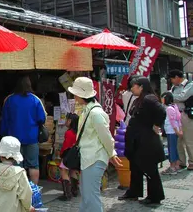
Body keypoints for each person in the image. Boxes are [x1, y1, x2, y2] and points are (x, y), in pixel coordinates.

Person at [67, 77, 121, 212]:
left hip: (94, 158)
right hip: (89, 158)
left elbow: (106, 137)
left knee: (91, 196)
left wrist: (112, 154)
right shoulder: (88, 110)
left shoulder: (95, 113)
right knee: (86, 195)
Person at [119, 77, 166, 206]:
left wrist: (157, 125)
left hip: (146, 141)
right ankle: (134, 191)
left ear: (141, 87)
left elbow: (162, 111)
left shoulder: (149, 98)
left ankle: (154, 196)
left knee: (150, 169)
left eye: (134, 86)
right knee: (135, 167)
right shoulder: (139, 99)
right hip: (136, 140)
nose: (132, 88)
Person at [0, 75, 46, 184]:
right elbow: (42, 119)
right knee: (33, 165)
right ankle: (34, 191)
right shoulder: (35, 100)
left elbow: (5, 120)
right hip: (31, 137)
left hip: (14, 139)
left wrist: (3, 135)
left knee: (16, 165)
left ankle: (18, 191)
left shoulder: (10, 100)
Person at [169, 69, 193, 171]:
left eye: (172, 79)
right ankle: (181, 161)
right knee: (178, 140)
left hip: (186, 115)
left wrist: (169, 97)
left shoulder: (189, 85)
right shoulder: (174, 87)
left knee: (189, 139)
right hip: (176, 115)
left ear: (177, 77)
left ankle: (192, 161)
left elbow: (182, 97)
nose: (171, 81)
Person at [59, 113, 80, 201]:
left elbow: (66, 146)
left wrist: (61, 154)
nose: (65, 121)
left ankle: (67, 194)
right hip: (77, 155)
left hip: (68, 155)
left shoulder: (69, 132)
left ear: (70, 121)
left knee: (63, 171)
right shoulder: (78, 132)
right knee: (73, 171)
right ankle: (74, 191)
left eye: (66, 119)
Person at [161, 91, 182, 175]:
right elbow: (178, 120)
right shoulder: (174, 106)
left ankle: (172, 166)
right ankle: (177, 165)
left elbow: (172, 121)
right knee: (174, 148)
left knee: (171, 148)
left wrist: (177, 131)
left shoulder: (169, 109)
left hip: (171, 131)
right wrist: (179, 130)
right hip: (173, 131)